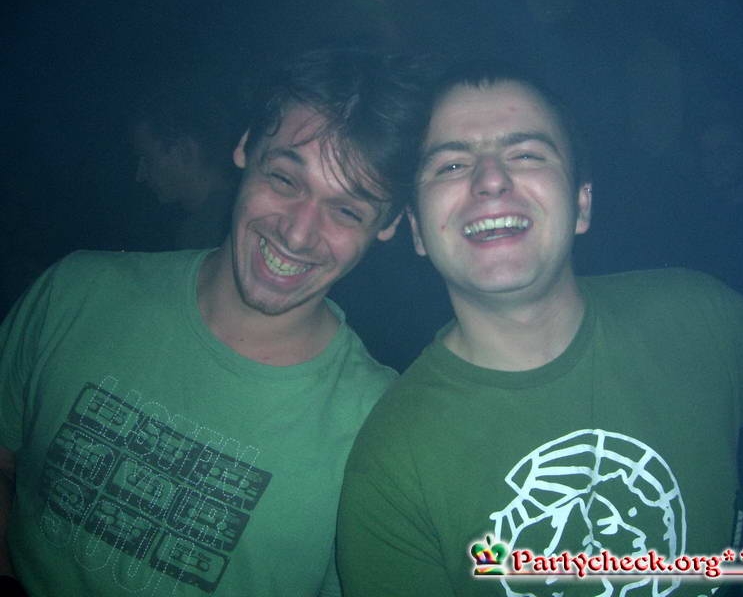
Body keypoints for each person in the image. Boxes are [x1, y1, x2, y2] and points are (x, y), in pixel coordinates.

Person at [337, 59, 743, 597]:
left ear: (581, 203)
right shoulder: (391, 463)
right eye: (452, 165)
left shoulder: (700, 317)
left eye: (526, 154)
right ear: (417, 230)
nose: (491, 180)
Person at [0, 47, 427, 596]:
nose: (298, 233)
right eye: (285, 179)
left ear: (387, 225)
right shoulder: (76, 292)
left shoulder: (383, 429)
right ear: (244, 147)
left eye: (347, 210)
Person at [130, 69, 244, 250]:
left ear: (185, 150)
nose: (140, 175)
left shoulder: (204, 231)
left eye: (147, 158)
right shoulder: (234, 215)